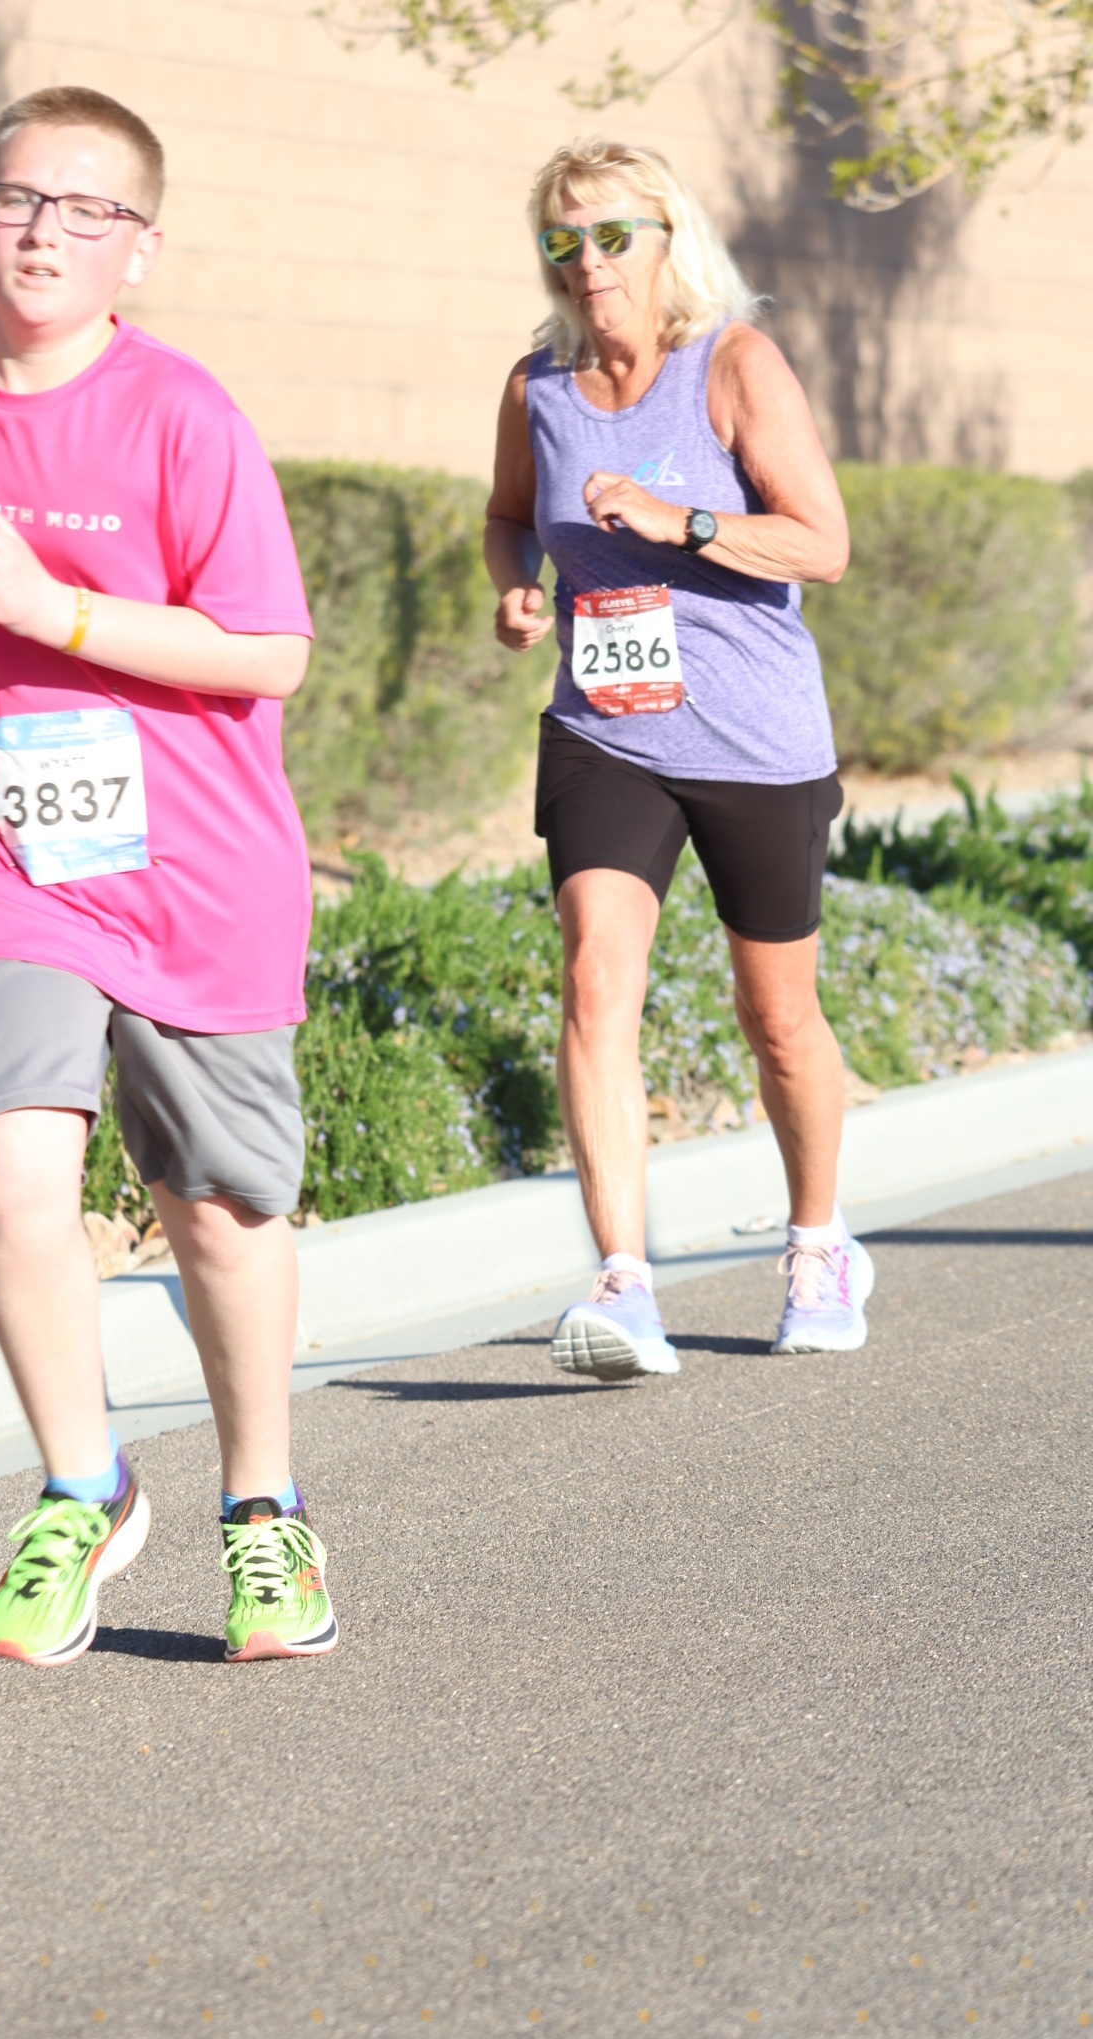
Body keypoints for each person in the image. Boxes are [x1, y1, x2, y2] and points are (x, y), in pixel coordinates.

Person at [0, 86, 337, 1665]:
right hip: (4, 858)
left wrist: (58, 612)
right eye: (19, 199)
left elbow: (271, 650)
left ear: (139, 250)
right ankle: (82, 1486)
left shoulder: (183, 416)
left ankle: (263, 1511)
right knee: (6, 1175)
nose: (46, 231)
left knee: (219, 1212)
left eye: (87, 209)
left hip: (199, 869)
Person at [485, 135, 873, 1380]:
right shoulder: (537, 386)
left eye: (613, 235)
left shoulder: (734, 363)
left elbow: (821, 544)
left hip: (753, 736)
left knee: (777, 1017)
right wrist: (516, 586)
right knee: (595, 977)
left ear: (666, 240)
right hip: (605, 729)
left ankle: (818, 1245)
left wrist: (681, 522)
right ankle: (624, 1284)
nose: (587, 261)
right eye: (563, 239)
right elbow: (507, 517)